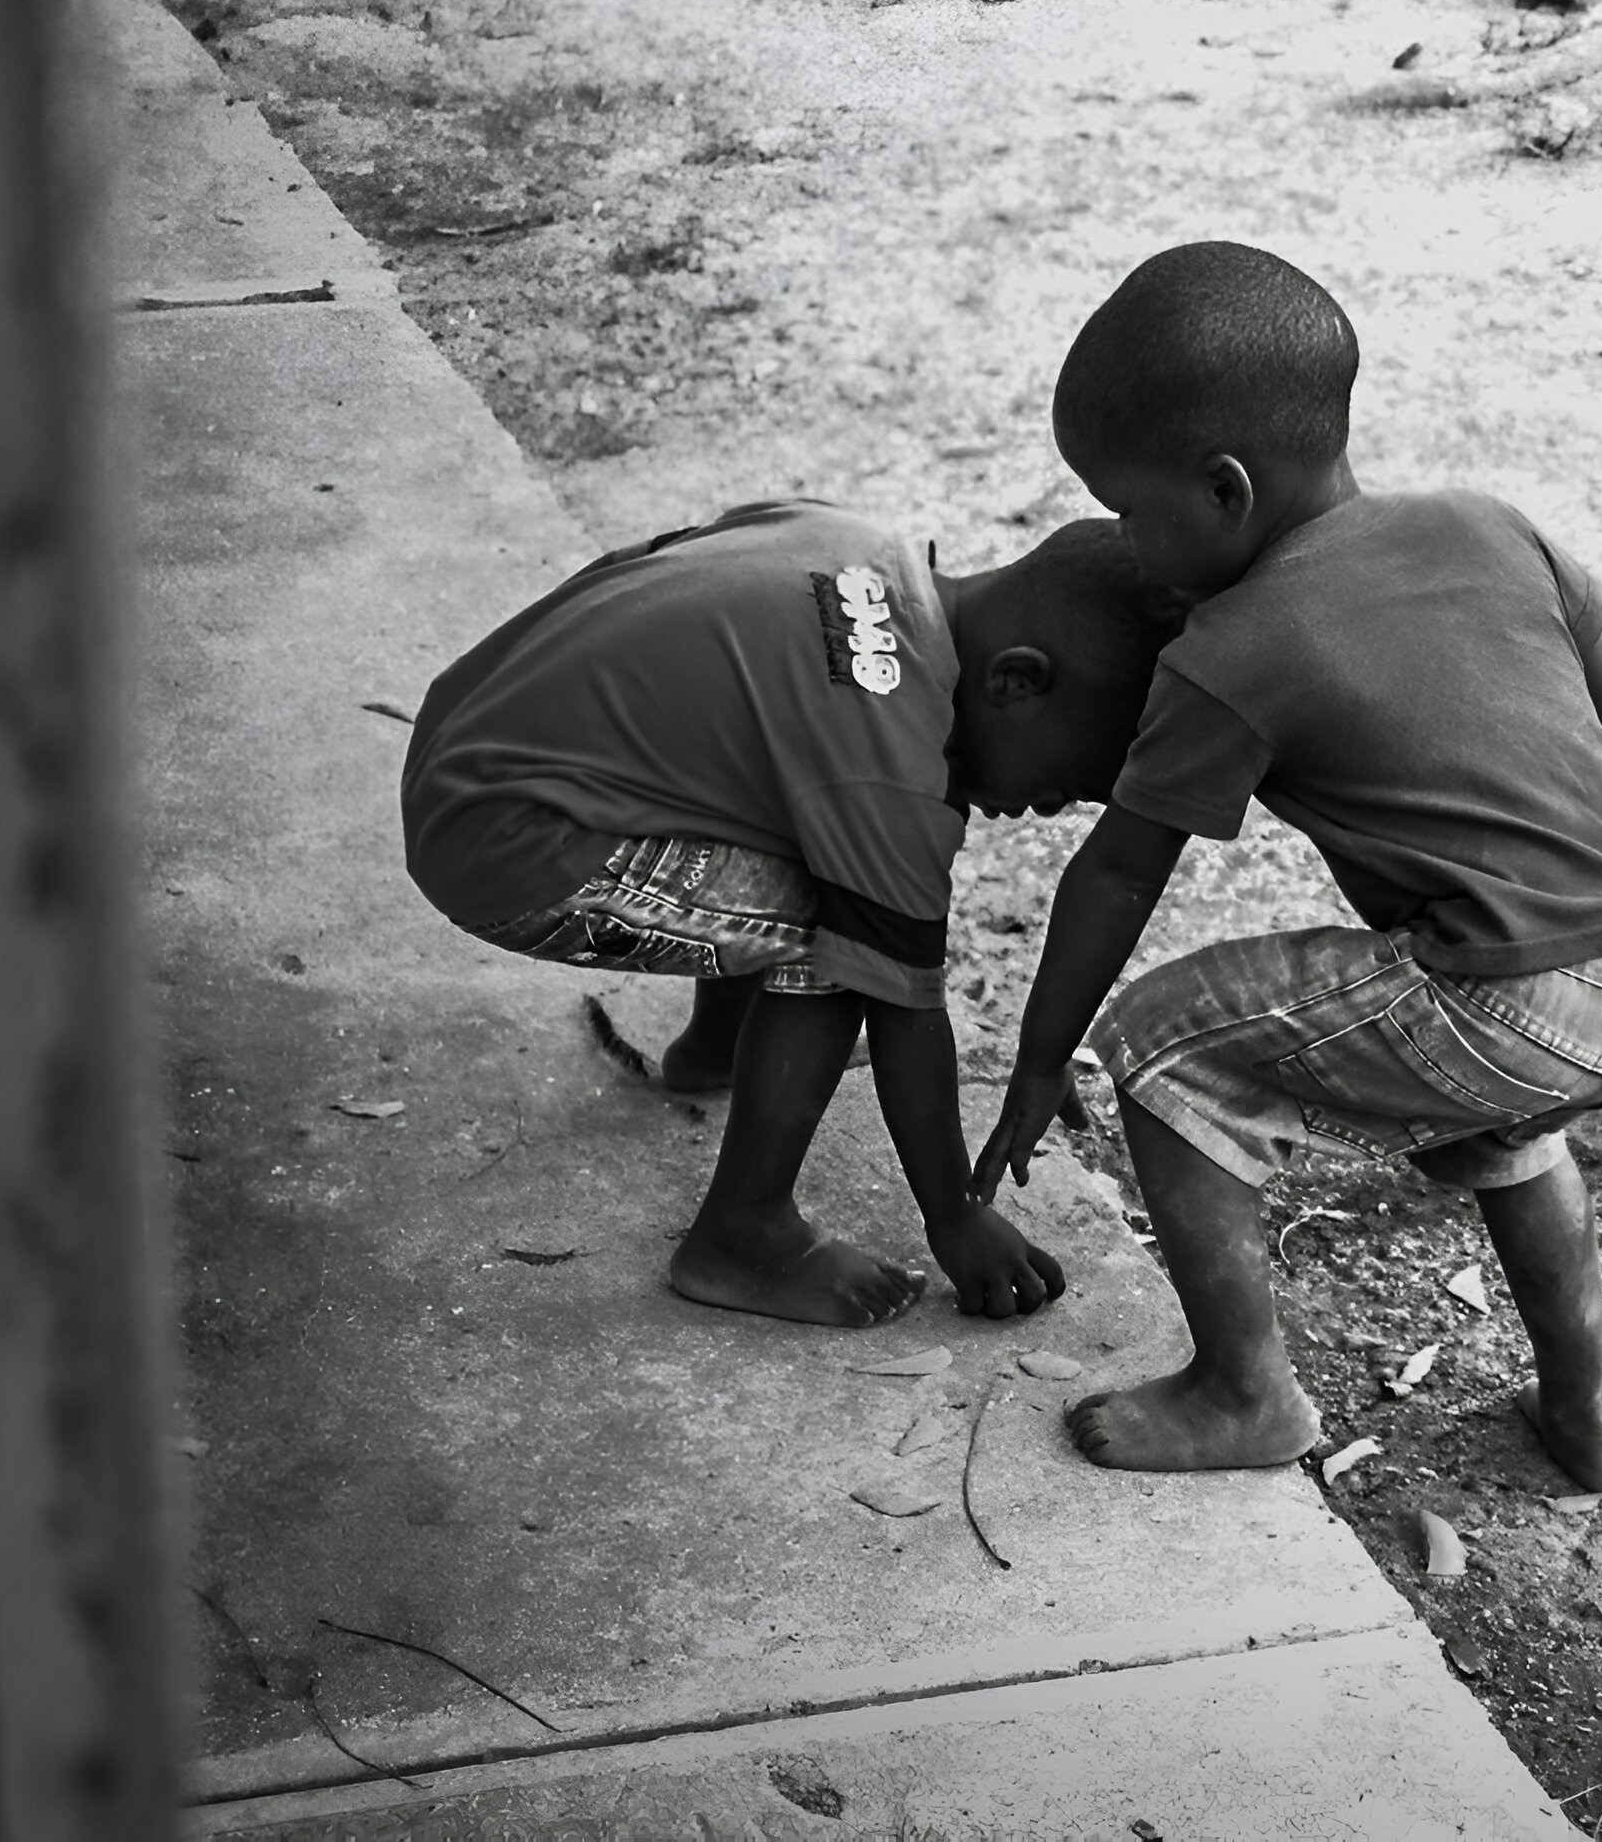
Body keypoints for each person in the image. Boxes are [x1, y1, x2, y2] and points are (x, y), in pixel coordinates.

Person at [968, 242, 1602, 1490]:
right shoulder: (1489, 523)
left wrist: (1043, 1055)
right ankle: (1589, 1411)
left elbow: (1118, 871)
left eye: (1130, 512)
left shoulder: (1233, 645)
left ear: (1226, 490)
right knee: (1512, 1131)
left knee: (1162, 1044)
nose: (1127, 546)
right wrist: (1570, 887)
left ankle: (1244, 1392)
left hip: (1505, 986)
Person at [402, 501, 1176, 1327]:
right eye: (1075, 782)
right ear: (1016, 681)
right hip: (510, 849)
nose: (1050, 806)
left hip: (460, 746)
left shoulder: (856, 543)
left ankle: (715, 1051)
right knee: (841, 935)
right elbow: (903, 1007)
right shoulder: (892, 758)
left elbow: (649, 567)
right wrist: (955, 1216)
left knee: (807, 832)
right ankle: (743, 1233)